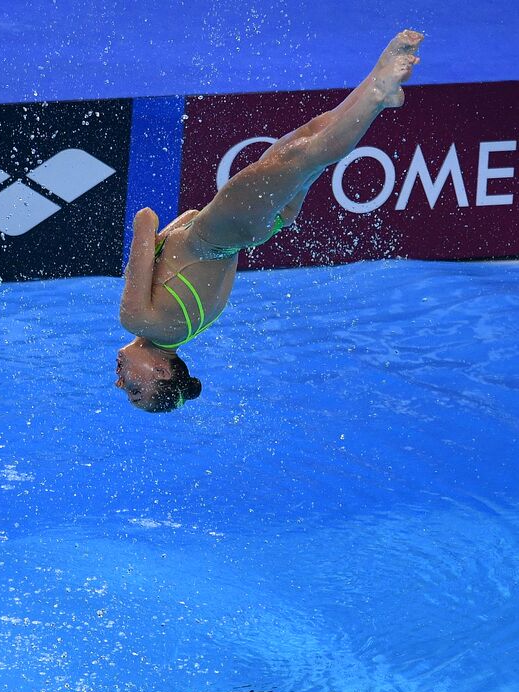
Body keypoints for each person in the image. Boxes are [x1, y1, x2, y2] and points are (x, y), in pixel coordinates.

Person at [116, 29, 424, 412]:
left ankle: (377, 91)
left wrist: (164, 249)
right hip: (226, 226)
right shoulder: (137, 319)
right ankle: (378, 91)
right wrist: (152, 249)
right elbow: (145, 221)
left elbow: (192, 222)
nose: (119, 381)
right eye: (134, 390)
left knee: (309, 137)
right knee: (310, 153)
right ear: (162, 372)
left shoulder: (191, 328)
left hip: (257, 228)